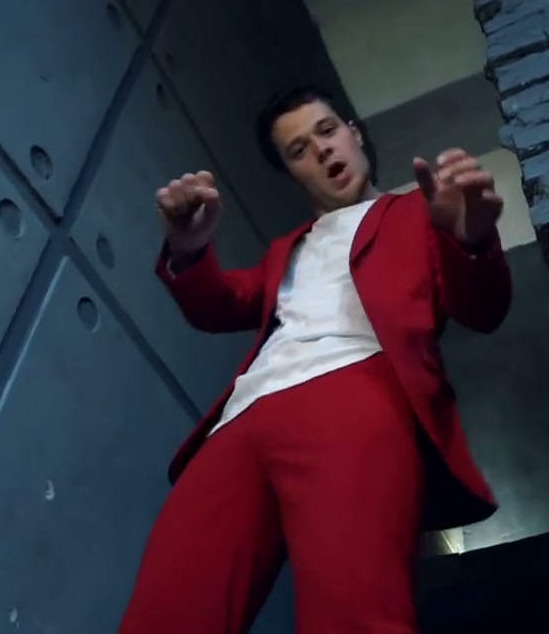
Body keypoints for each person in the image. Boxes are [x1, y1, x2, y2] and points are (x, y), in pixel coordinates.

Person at [118, 85, 512, 634]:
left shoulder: (420, 214)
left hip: (354, 395)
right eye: (299, 150)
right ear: (292, 174)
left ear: (354, 133)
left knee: (352, 615)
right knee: (165, 617)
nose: (322, 149)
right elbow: (219, 305)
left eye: (327, 131)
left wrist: (470, 242)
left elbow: (483, 310)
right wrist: (188, 250)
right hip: (239, 421)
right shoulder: (288, 250)